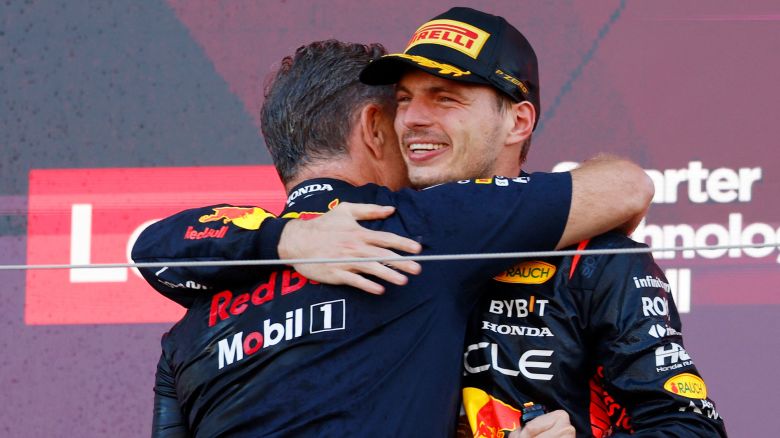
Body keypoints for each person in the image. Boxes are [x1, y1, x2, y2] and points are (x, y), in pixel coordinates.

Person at [132, 38, 652, 436]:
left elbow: (147, 246)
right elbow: (627, 187)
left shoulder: (188, 329)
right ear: (373, 128)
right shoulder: (420, 227)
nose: (414, 126)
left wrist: (282, 240)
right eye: (402, 106)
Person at [353, 7, 729, 437]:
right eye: (403, 99)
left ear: (518, 121)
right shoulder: (367, 242)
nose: (412, 118)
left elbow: (690, 428)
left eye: (445, 98)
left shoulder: (591, 259)